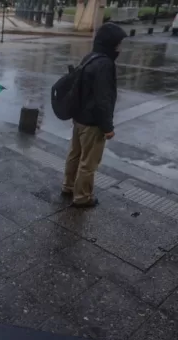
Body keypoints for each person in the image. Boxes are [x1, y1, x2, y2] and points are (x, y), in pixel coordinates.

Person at [62, 23, 127, 208]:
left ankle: (68, 186)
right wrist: (108, 128)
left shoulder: (90, 57)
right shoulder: (104, 64)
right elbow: (103, 99)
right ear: (110, 43)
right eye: (118, 44)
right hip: (92, 123)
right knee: (88, 162)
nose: (119, 48)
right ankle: (83, 197)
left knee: (74, 154)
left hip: (79, 118)